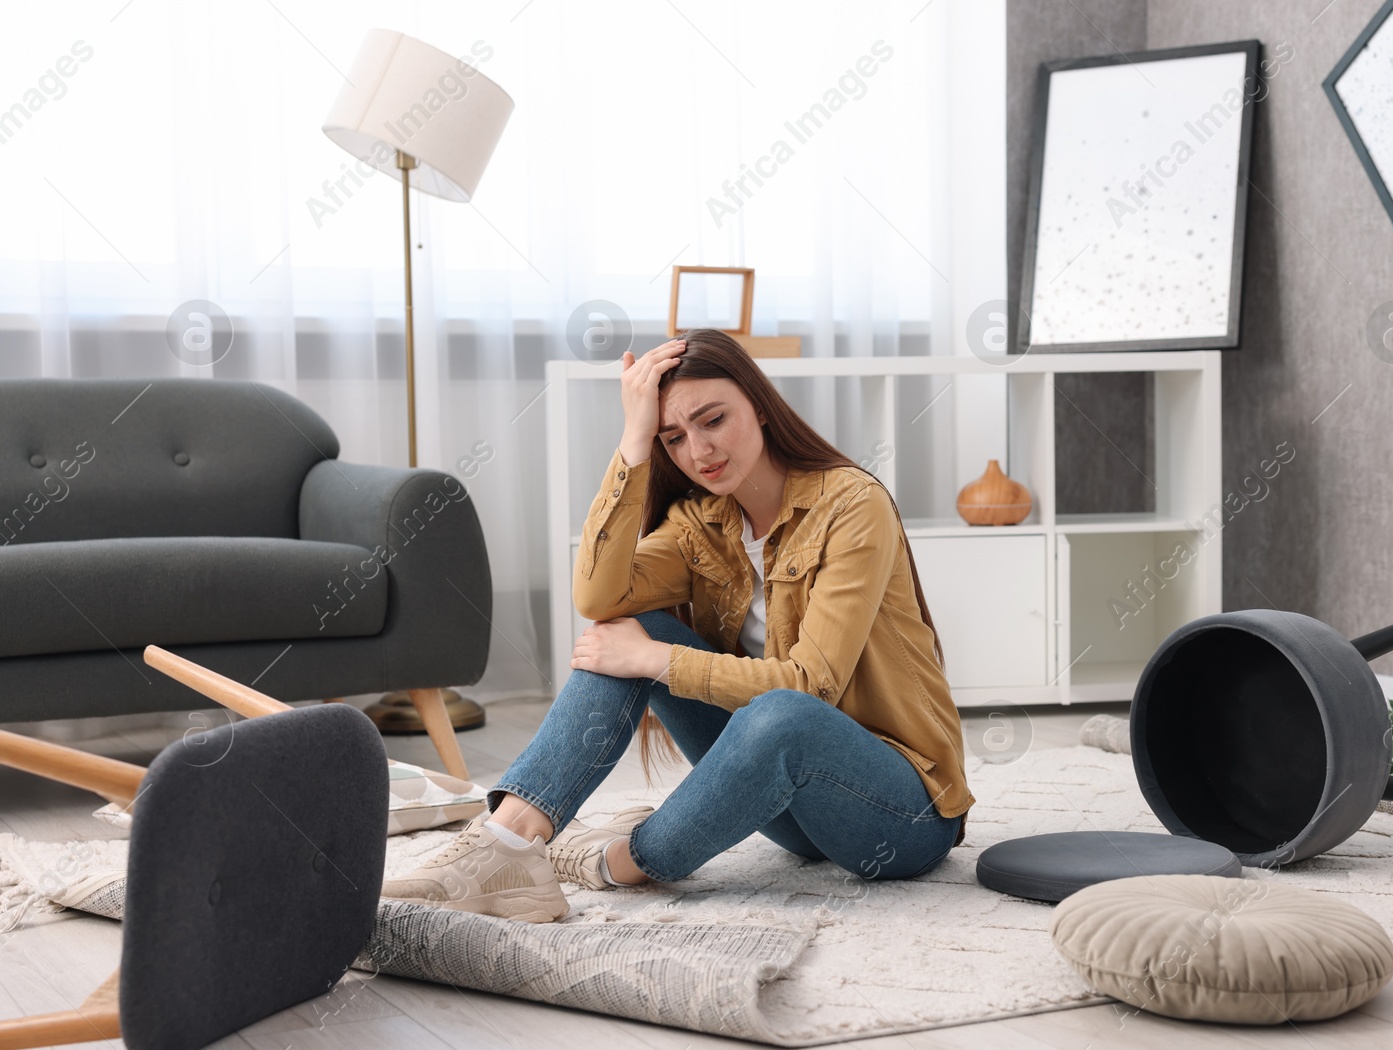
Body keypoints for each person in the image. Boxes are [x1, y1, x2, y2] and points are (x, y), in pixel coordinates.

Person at [382, 328, 974, 922]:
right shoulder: (702, 520)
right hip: (796, 816)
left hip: (904, 817)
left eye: (713, 420)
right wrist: (632, 444)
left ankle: (620, 862)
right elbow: (599, 595)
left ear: (761, 406)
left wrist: (654, 661)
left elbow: (811, 685)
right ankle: (506, 843)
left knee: (780, 711)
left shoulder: (851, 505)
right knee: (634, 623)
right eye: (674, 437)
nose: (698, 451)